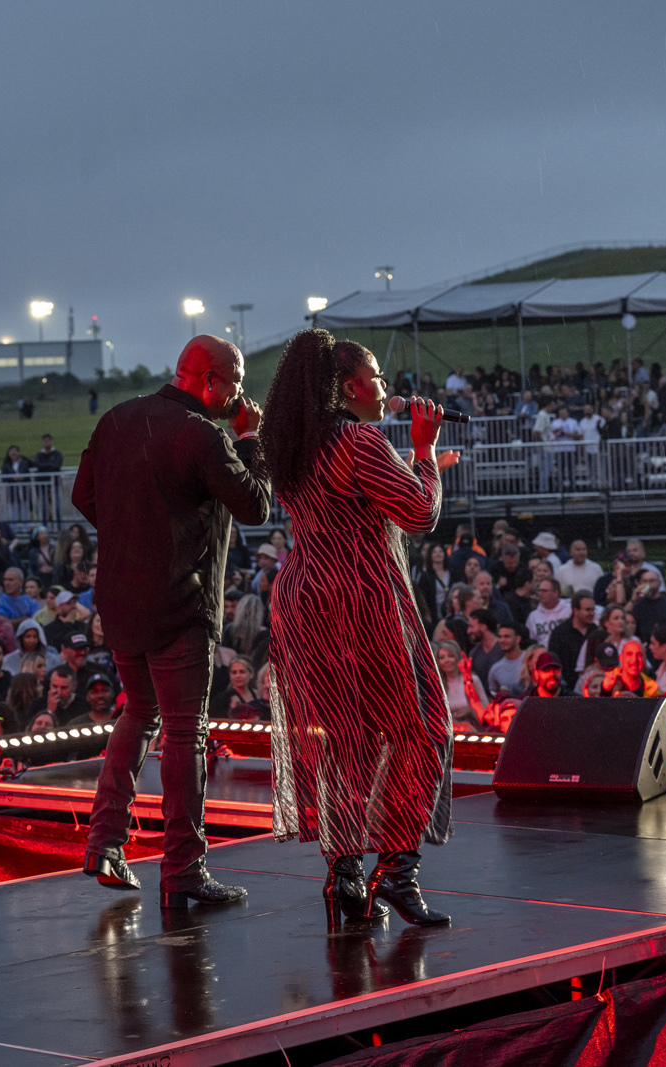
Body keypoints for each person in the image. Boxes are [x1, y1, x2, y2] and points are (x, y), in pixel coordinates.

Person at [258, 329, 456, 928]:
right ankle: (397, 872)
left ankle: (344, 876)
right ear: (348, 388)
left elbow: (350, 495)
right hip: (359, 596)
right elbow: (418, 513)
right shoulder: (360, 441)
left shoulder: (292, 445)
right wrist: (424, 453)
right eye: (377, 377)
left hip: (304, 596)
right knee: (424, 727)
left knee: (344, 738)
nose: (387, 388)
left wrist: (411, 464)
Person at [74, 334, 271, 910]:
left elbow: (84, 496)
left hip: (121, 601)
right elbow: (255, 505)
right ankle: (184, 867)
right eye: (234, 382)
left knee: (139, 712)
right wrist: (250, 439)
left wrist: (133, 532)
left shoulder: (116, 419)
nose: (239, 395)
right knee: (186, 733)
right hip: (181, 603)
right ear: (209, 380)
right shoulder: (202, 434)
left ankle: (104, 843)